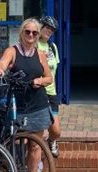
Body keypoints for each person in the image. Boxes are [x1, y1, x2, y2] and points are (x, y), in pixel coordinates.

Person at [0, 17, 53, 171]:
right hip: (17, 105)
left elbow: (49, 78)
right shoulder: (12, 50)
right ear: (22, 33)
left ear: (38, 35)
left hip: (38, 104)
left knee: (35, 147)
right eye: (27, 31)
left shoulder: (40, 54)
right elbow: (3, 63)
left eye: (34, 32)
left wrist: (39, 81)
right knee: (18, 144)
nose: (31, 35)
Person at [38, 16, 61, 158]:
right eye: (47, 27)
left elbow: (54, 70)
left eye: (52, 29)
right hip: (37, 92)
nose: (49, 31)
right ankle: (36, 159)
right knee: (37, 131)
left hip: (51, 92)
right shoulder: (33, 44)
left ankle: (51, 141)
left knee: (56, 130)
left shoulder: (53, 47)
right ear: (40, 27)